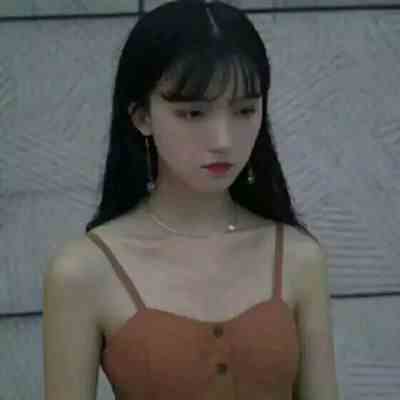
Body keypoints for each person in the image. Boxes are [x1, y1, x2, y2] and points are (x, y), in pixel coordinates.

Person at [43, 1, 339, 399]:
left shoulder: (298, 257)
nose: (223, 140)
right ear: (142, 116)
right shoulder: (83, 270)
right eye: (193, 113)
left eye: (245, 110)